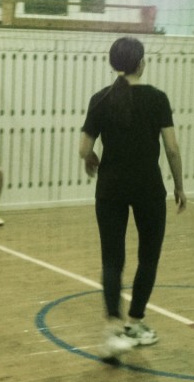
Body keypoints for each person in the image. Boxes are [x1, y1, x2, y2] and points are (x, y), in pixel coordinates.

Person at [79, 37, 186, 360]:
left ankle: (113, 328)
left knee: (112, 260)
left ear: (113, 63)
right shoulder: (157, 98)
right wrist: (179, 186)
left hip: (110, 187)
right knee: (148, 257)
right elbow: (172, 148)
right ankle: (135, 323)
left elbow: (84, 148)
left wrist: (91, 158)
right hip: (148, 188)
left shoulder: (101, 98)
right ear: (141, 62)